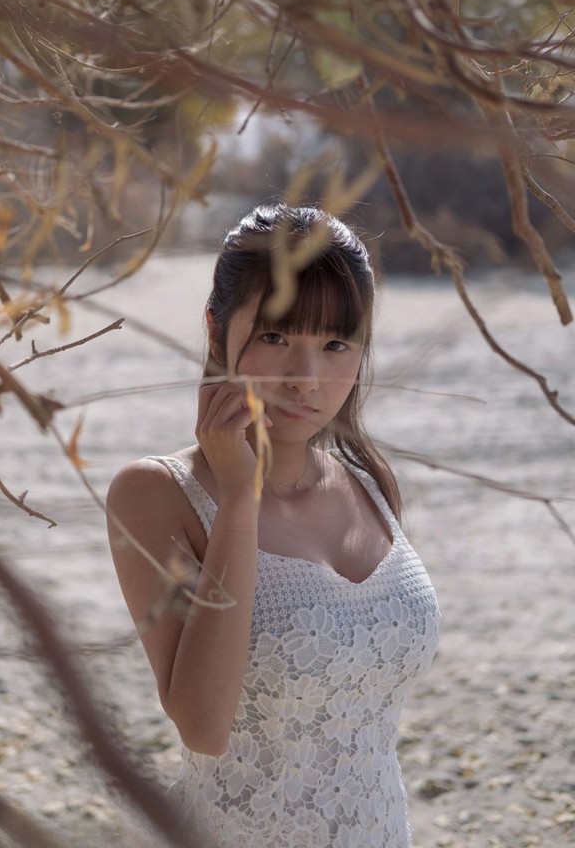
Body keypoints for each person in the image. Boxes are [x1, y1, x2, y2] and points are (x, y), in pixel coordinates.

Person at [107, 204, 440, 848]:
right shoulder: (154, 494)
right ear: (215, 331)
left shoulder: (368, 484)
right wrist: (238, 498)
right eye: (276, 338)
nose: (305, 380)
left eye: (336, 345)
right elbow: (203, 724)